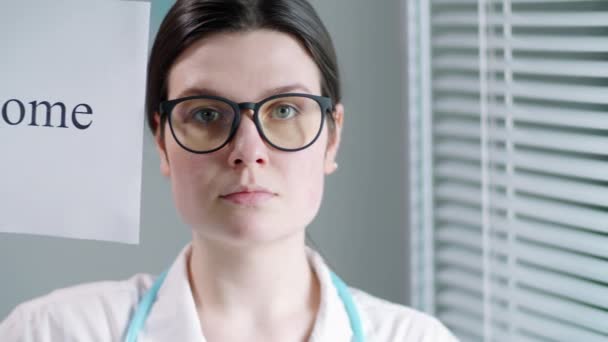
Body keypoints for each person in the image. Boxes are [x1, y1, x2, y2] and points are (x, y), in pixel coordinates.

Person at [0, 0, 458, 341]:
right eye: (205, 114)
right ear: (162, 140)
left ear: (331, 137)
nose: (247, 151)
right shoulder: (54, 331)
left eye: (283, 111)